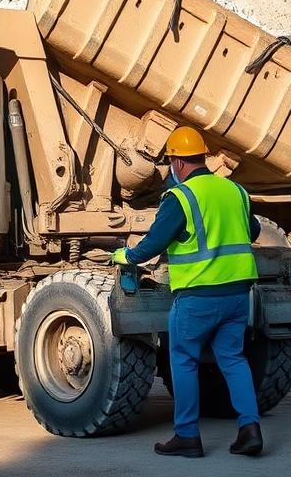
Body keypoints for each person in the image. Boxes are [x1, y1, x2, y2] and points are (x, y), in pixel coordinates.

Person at [112, 126, 263, 458]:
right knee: (234, 359)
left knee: (184, 361)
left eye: (170, 163)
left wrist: (127, 256)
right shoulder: (235, 191)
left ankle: (187, 436)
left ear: (178, 162)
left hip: (198, 296)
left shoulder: (180, 197)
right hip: (238, 295)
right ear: (202, 156)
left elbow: (155, 241)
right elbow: (254, 229)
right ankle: (250, 429)